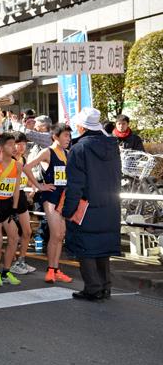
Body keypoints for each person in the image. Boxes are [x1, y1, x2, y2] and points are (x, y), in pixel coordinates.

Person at [63, 108, 121, 301]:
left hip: (86, 206)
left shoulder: (79, 148)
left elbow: (75, 184)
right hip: (110, 204)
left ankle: (93, 288)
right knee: (102, 247)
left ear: (81, 126)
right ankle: (105, 286)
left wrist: (67, 210)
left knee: (85, 247)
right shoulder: (112, 145)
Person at [23, 123, 74, 284]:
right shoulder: (47, 152)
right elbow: (27, 167)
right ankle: (51, 270)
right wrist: (39, 186)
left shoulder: (67, 153)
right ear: (55, 136)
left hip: (64, 197)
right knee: (55, 234)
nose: (68, 139)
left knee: (61, 235)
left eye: (69, 136)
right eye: (65, 135)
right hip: (51, 197)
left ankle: (56, 268)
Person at [0, 133, 22, 287]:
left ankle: (6, 271)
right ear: (0, 148)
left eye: (14, 144)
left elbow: (16, 189)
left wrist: (15, 209)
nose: (14, 147)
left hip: (8, 205)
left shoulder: (18, 165)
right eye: (10, 145)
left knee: (14, 238)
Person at [9, 132, 37, 275]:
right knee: (12, 234)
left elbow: (28, 175)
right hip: (7, 198)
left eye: (24, 143)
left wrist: (33, 186)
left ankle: (21, 260)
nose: (21, 147)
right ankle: (11, 262)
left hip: (21, 197)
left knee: (27, 231)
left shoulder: (24, 159)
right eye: (18, 143)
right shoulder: (8, 159)